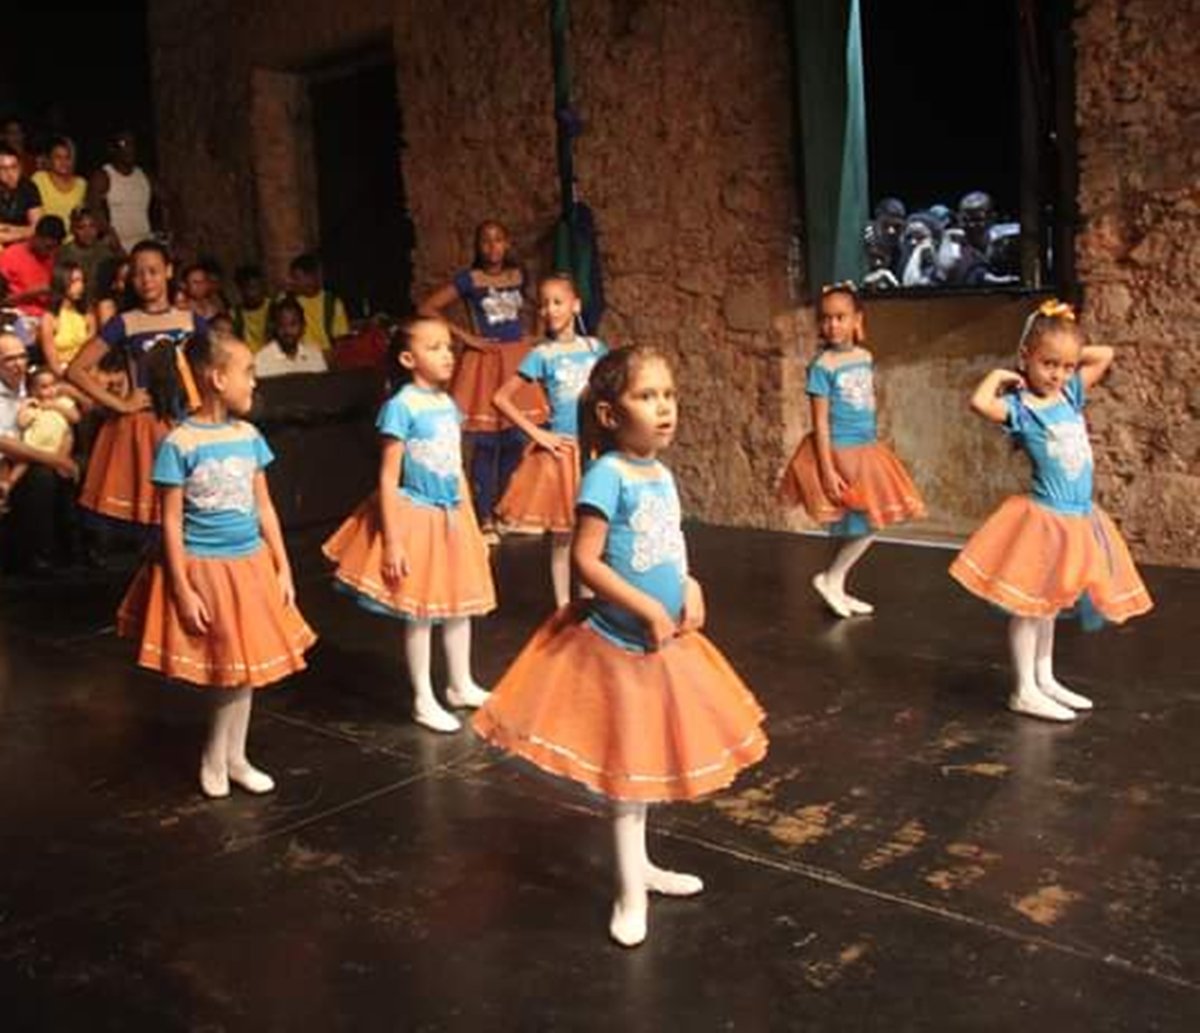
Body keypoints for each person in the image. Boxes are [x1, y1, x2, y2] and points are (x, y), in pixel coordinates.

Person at [473, 345, 767, 947]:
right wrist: (645, 607)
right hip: (618, 648)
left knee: (648, 769)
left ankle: (644, 868)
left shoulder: (660, 474)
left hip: (662, 646)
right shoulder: (605, 475)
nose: (664, 408)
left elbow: (669, 545)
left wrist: (688, 584)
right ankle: (630, 892)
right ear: (609, 414)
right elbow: (587, 561)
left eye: (669, 395)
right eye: (646, 396)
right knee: (629, 777)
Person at [116, 331, 315, 797]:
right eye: (248, 372)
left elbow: (265, 507)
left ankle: (234, 756)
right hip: (208, 569)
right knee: (230, 667)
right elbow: (169, 523)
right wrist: (183, 588)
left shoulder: (249, 436)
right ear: (216, 377)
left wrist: (283, 567)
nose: (254, 382)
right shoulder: (180, 442)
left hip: (249, 564)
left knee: (245, 667)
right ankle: (215, 755)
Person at [949, 301, 1152, 720]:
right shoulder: (1022, 410)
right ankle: (1023, 688)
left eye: (1065, 366)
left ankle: (1045, 678)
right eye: (1047, 364)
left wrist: (1064, 333)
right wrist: (1002, 375)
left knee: (1053, 605)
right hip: (1044, 521)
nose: (1058, 374)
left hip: (1079, 519)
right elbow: (979, 403)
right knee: (1029, 606)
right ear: (1027, 357)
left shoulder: (1070, 394)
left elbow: (1105, 355)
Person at [323, 316, 495, 733]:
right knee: (419, 609)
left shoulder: (447, 404)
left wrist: (471, 521)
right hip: (417, 515)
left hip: (452, 515)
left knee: (459, 604)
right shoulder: (401, 406)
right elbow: (388, 477)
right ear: (408, 358)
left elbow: (456, 468)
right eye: (434, 347)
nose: (446, 354)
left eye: (447, 346)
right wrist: (394, 541)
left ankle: (460, 682)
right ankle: (423, 695)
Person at [778, 282, 926, 617]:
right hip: (841, 452)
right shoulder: (823, 366)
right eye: (826, 319)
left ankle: (836, 582)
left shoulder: (865, 357)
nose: (832, 325)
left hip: (866, 448)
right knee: (868, 523)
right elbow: (821, 423)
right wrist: (828, 469)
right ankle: (831, 578)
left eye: (840, 317)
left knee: (869, 523)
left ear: (857, 319)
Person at [418, 219, 547, 534]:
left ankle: (506, 510)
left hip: (516, 358)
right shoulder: (469, 279)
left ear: (507, 243)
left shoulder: (519, 276)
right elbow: (428, 307)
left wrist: (536, 335)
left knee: (516, 439)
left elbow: (543, 303)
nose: (492, 247)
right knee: (488, 443)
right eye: (485, 241)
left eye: (498, 240)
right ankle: (485, 514)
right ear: (478, 246)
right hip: (485, 362)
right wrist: (467, 337)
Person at [68, 240, 204, 527]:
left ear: (168, 271)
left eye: (153, 271)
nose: (146, 280)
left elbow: (212, 368)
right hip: (147, 428)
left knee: (192, 518)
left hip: (189, 424)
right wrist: (120, 403)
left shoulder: (192, 321)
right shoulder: (124, 322)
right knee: (155, 524)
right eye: (139, 273)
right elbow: (76, 370)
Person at [492, 273, 607, 606]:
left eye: (557, 302)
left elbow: (609, 392)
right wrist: (537, 432)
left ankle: (589, 604)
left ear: (575, 305)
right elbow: (501, 398)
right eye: (544, 304)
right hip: (563, 450)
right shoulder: (542, 354)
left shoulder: (595, 348)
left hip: (595, 451)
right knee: (563, 536)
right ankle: (562, 608)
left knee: (592, 531)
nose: (550, 309)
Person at [0, 333, 78, 573]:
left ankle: (71, 553)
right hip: (7, 462)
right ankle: (36, 556)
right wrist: (54, 459)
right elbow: (2, 442)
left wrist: (62, 457)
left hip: (33, 455)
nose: (18, 364)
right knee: (43, 474)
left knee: (60, 472)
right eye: (9, 359)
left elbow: (65, 426)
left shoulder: (35, 388)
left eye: (22, 356)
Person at [0, 367, 81, 502]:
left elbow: (75, 417)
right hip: (34, 442)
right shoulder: (32, 405)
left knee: (66, 445)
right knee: (22, 463)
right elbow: (22, 423)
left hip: (58, 443)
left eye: (53, 385)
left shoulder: (63, 402)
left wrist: (52, 406)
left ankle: (62, 472)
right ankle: (8, 485)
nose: (51, 390)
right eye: (44, 387)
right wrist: (27, 407)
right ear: (33, 391)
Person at [87, 130, 163, 252]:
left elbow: (169, 201)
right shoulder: (103, 176)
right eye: (123, 144)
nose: (129, 149)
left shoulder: (144, 176)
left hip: (145, 242)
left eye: (132, 144)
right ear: (112, 149)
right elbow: (94, 208)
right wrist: (109, 233)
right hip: (117, 245)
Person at [0, 215, 65, 350]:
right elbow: (3, 301)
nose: (51, 251)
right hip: (17, 315)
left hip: (48, 316)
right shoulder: (10, 256)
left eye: (55, 247)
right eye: (48, 247)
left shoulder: (55, 257)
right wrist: (34, 292)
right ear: (37, 237)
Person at [38, 259, 95, 378]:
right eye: (74, 281)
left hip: (86, 370)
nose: (80, 286)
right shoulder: (49, 319)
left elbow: (93, 351)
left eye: (82, 281)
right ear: (62, 283)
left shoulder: (87, 314)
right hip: (62, 372)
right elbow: (53, 363)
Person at [286, 253, 348, 353]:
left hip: (327, 358)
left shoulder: (331, 303)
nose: (293, 282)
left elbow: (340, 339)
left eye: (297, 278)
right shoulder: (289, 300)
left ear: (311, 277)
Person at [255, 295, 328, 378]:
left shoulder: (315, 356)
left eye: (293, 324)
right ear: (275, 327)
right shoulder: (262, 359)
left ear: (303, 326)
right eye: (281, 325)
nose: (287, 330)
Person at [60, 207, 120, 308]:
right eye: (81, 227)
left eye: (92, 226)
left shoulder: (105, 251)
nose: (87, 232)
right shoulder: (65, 253)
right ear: (73, 229)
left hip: (102, 305)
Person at [31, 138, 86, 234]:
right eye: (58, 157)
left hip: (73, 243)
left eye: (67, 157)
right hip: (47, 240)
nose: (63, 162)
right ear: (49, 159)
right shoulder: (39, 179)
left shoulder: (81, 183)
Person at [0, 142, 43, 247]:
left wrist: (10, 229)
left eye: (14, 167)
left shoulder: (28, 187)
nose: (10, 174)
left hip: (25, 246)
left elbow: (39, 228)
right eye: (4, 168)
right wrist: (27, 230)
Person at [231, 264, 270, 351]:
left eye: (256, 287)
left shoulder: (274, 308)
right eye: (249, 288)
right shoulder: (234, 314)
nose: (253, 293)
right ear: (240, 290)